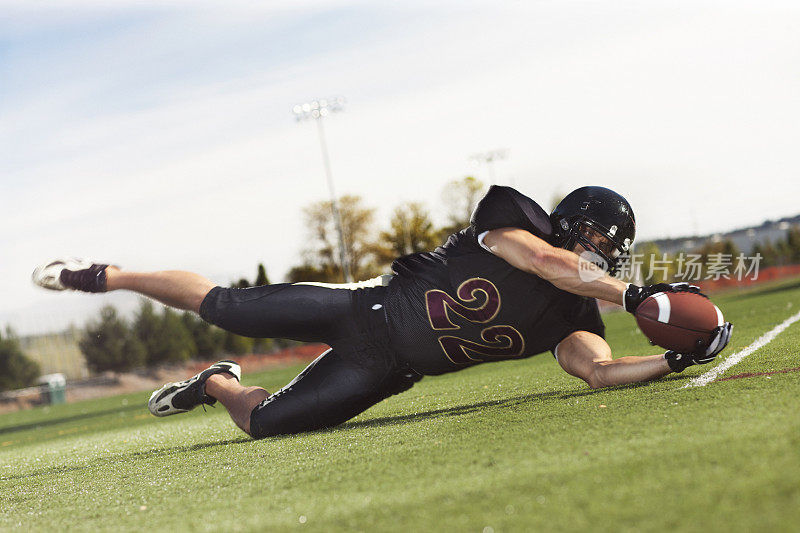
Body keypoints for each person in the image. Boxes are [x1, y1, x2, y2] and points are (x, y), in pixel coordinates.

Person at [32, 185, 732, 439]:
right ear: (570, 220)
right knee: (224, 304)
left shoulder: (579, 311)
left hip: (388, 368)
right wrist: (638, 295)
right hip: (362, 309)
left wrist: (673, 357)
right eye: (596, 238)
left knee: (267, 424)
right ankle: (107, 274)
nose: (597, 254)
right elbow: (543, 261)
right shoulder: (512, 217)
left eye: (610, 251)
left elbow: (600, 373)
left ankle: (216, 381)